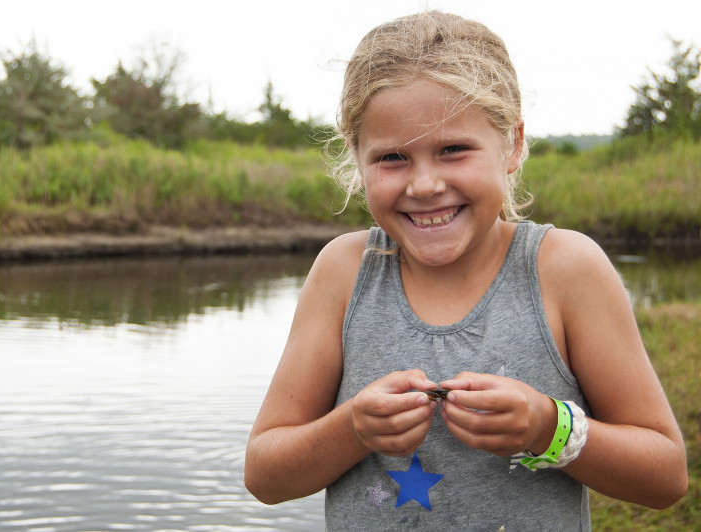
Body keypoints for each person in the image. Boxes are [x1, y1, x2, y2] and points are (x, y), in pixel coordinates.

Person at [244, 10, 687, 530]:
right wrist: (352, 430)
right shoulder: (344, 272)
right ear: (357, 158)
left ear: (513, 145)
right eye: (392, 158)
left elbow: (665, 477)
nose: (425, 184)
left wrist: (549, 427)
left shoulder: (566, 269)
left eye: (453, 150)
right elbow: (265, 475)